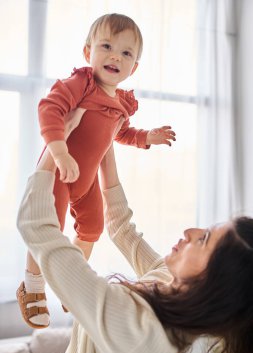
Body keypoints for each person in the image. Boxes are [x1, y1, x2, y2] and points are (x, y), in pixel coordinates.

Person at [17, 122, 253, 353]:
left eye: (204, 239)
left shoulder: (136, 331)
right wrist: (103, 140)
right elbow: (120, 227)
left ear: (217, 281)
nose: (189, 231)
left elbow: (36, 226)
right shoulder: (169, 281)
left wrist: (57, 138)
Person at [17, 13, 176, 329]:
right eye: (107, 46)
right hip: (61, 169)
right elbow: (50, 109)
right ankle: (32, 284)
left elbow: (120, 133)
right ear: (88, 52)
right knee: (49, 226)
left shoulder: (121, 103)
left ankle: (72, 281)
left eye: (126, 53)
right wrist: (60, 152)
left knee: (92, 227)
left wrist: (147, 137)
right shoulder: (81, 84)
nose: (116, 56)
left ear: (134, 68)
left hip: (87, 178)